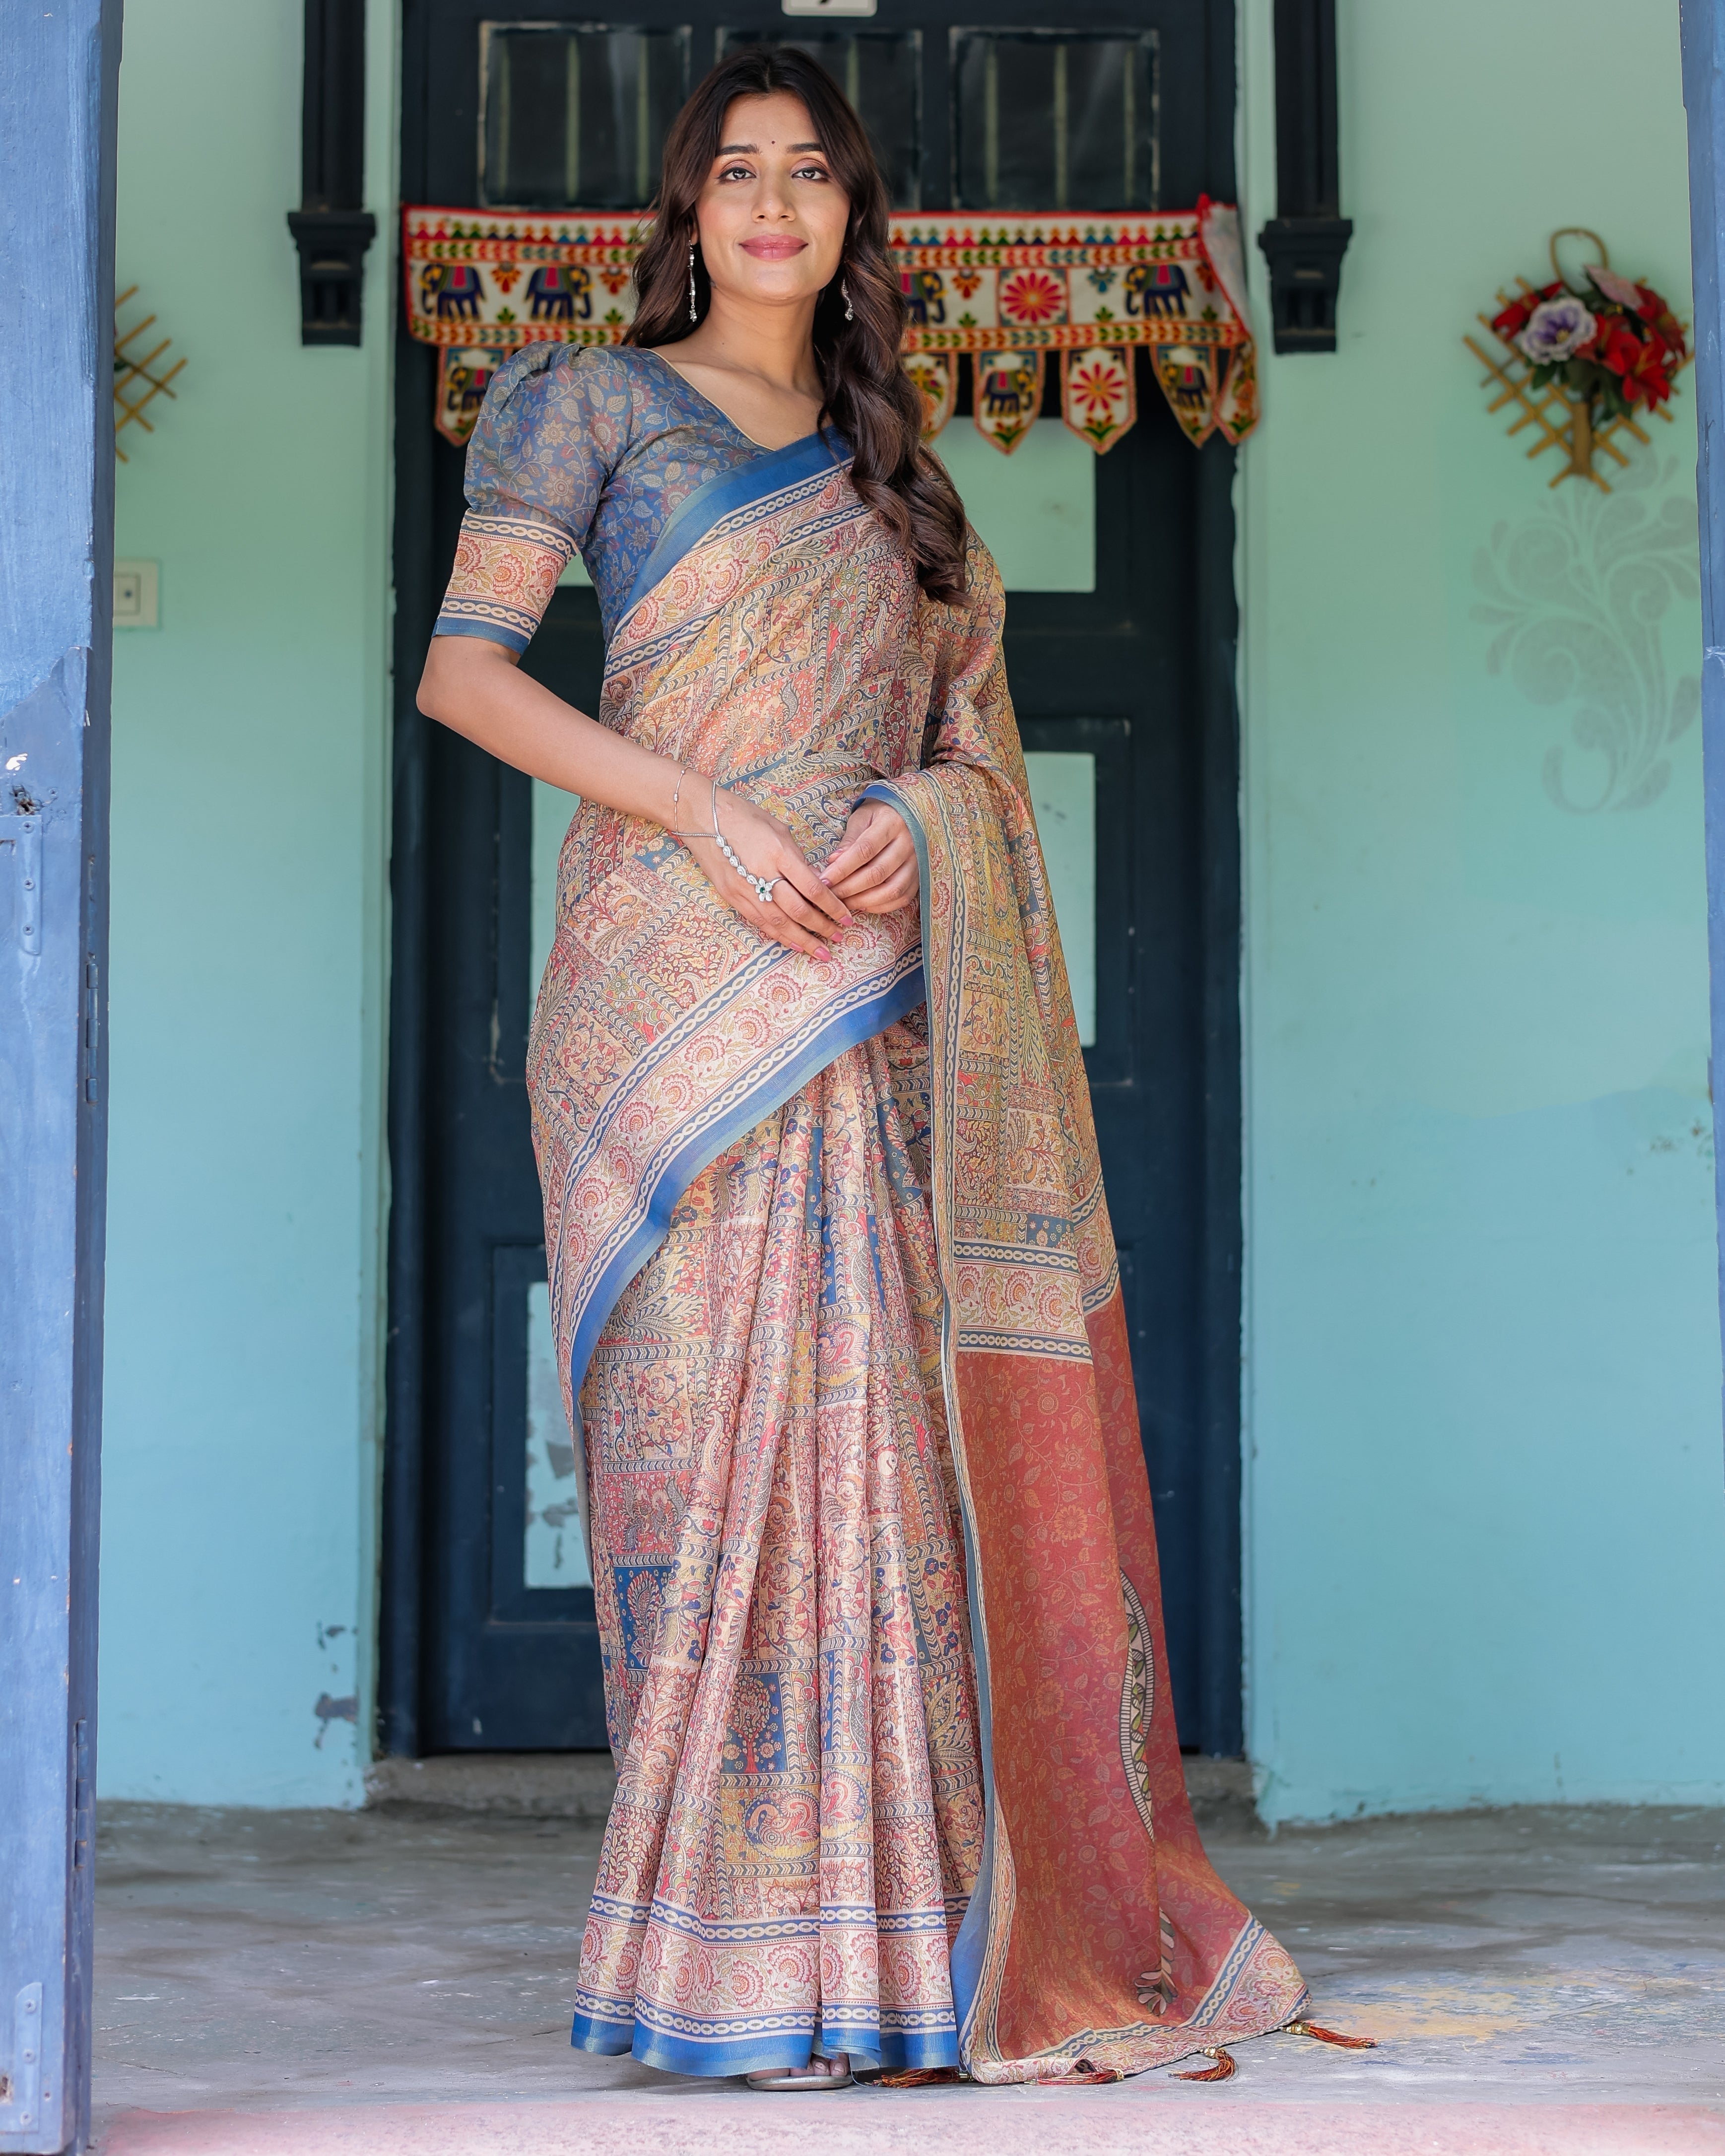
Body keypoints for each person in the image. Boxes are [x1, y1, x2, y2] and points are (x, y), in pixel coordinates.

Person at [418, 45, 1309, 2092]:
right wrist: (703, 814)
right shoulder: (588, 405)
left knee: (874, 1465)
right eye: (733, 171)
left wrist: (924, 828)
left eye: (806, 172)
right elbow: (464, 677)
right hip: (665, 1000)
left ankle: (894, 1964)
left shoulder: (897, 473)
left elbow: (965, 753)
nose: (768, 204)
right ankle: (721, 1967)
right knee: (699, 1473)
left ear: (849, 217)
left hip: (861, 1001)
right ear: (687, 209)